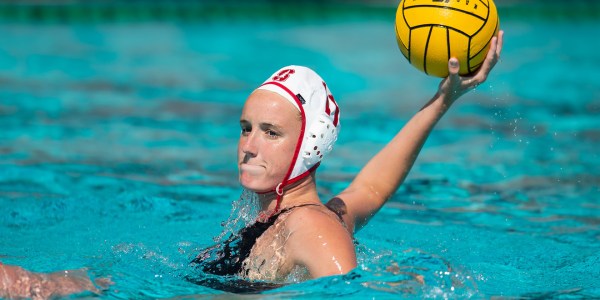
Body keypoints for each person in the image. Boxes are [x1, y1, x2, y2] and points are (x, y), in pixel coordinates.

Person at [1, 31, 504, 298]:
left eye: (270, 132)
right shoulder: (304, 215)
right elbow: (373, 185)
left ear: (307, 144)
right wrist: (441, 103)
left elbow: (348, 293)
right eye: (245, 128)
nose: (249, 144)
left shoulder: (311, 226)